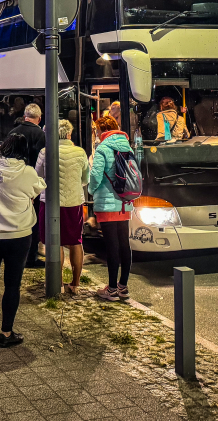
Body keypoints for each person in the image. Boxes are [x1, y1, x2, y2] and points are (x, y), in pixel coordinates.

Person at [0, 134, 46, 347]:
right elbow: (38, 188)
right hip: (19, 234)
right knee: (12, 284)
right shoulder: (27, 172)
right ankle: (6, 333)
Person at [35, 119, 89, 294]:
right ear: (69, 134)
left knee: (54, 242)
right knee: (76, 242)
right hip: (74, 203)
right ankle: (75, 284)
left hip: (51, 203)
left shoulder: (45, 152)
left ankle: (56, 283)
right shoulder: (80, 152)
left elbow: (38, 176)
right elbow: (85, 179)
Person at [88, 116, 134, 301]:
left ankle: (112, 289)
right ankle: (123, 286)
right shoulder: (127, 146)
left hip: (107, 204)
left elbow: (96, 176)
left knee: (112, 245)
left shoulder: (103, 148)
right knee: (124, 243)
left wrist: (91, 190)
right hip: (125, 202)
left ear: (101, 131)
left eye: (97, 130)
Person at [8, 103, 45, 268]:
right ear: (39, 118)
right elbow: (41, 161)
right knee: (33, 220)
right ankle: (30, 258)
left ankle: (14, 254)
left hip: (13, 182)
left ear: (25, 116)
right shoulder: (40, 134)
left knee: (15, 218)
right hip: (30, 184)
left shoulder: (12, 132)